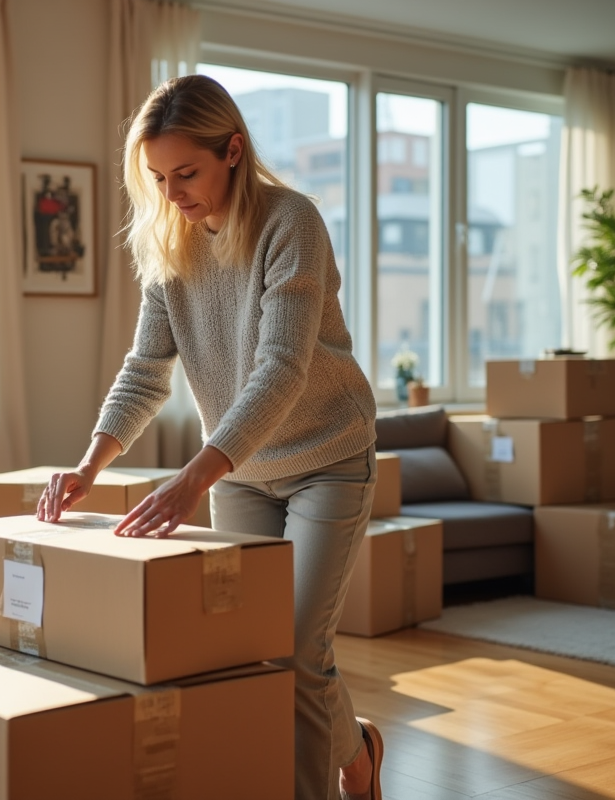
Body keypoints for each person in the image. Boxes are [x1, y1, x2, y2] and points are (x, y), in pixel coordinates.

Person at [37, 74, 383, 800]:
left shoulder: (293, 222)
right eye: (158, 177)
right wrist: (89, 465)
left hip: (327, 458)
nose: (171, 193)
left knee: (298, 652)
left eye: (185, 173)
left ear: (232, 150)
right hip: (245, 471)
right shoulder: (171, 244)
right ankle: (359, 754)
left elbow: (281, 368)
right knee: (259, 653)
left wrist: (194, 476)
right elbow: (145, 369)